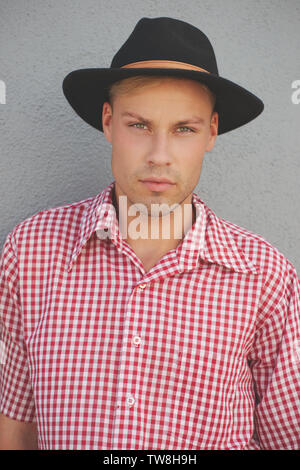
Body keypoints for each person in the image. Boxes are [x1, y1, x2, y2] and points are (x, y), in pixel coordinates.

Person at [0, 16, 299, 450]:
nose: (160, 155)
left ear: (211, 132)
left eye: (184, 129)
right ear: (108, 122)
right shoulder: (30, 252)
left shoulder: (265, 276)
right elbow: (16, 427)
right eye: (139, 125)